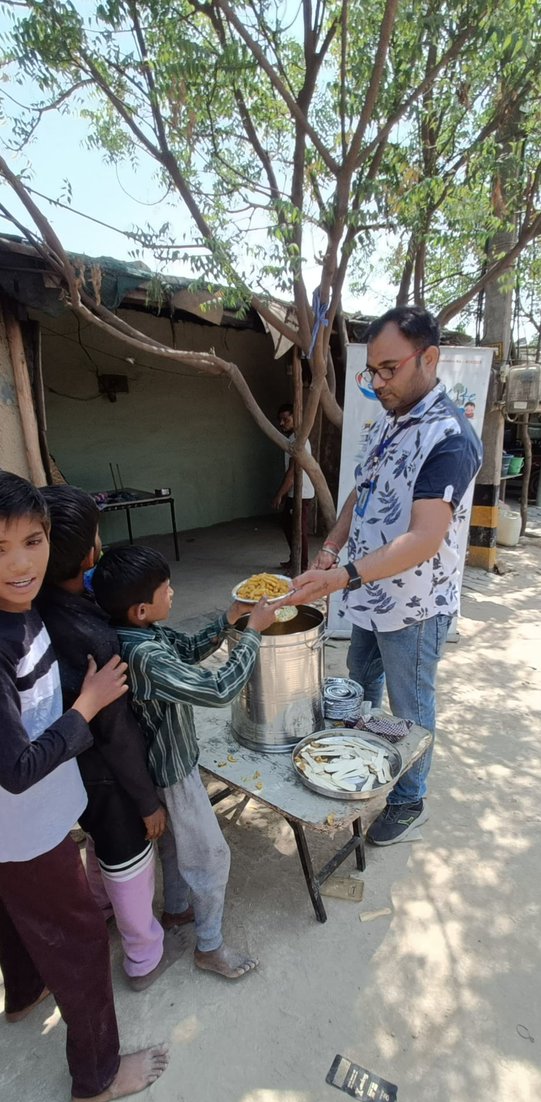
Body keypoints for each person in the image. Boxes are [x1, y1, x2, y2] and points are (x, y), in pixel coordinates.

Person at [0, 471, 168, 1102]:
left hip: (23, 831)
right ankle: (96, 1078)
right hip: (25, 825)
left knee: (14, 913)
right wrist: (88, 705)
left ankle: (23, 992)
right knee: (78, 940)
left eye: (34, 541)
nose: (21, 565)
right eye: (0, 548)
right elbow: (15, 768)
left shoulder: (28, 608)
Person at [291, 306, 482, 846]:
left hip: (415, 607)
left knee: (411, 704)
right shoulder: (389, 419)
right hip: (367, 593)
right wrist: (329, 550)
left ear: (429, 358)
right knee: (361, 685)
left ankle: (409, 797)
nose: (378, 383)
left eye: (389, 370)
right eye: (371, 372)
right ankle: (365, 764)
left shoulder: (450, 437)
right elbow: (361, 490)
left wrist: (342, 577)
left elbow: (423, 539)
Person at [93, 545, 283, 979]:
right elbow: (217, 690)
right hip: (171, 768)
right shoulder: (144, 655)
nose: (174, 593)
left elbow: (188, 647)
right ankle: (210, 948)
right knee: (211, 855)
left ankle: (177, 910)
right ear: (142, 608)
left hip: (163, 765)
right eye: (167, 589)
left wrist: (230, 618)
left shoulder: (142, 634)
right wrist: (252, 633)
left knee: (176, 844)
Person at [38, 485, 187, 992]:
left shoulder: (40, 605)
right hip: (106, 773)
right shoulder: (99, 638)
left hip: (65, 768)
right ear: (89, 554)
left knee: (101, 841)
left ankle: (101, 906)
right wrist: (147, 801)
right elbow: (118, 733)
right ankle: (143, 957)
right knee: (129, 860)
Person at [272, 403, 315, 572]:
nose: (282, 423)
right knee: (288, 524)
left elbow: (292, 473)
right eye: (280, 420)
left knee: (299, 530)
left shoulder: (298, 440)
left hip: (301, 493)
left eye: (286, 419)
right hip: (294, 492)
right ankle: (295, 559)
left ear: (296, 417)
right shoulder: (291, 439)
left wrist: (279, 495)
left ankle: (302, 565)